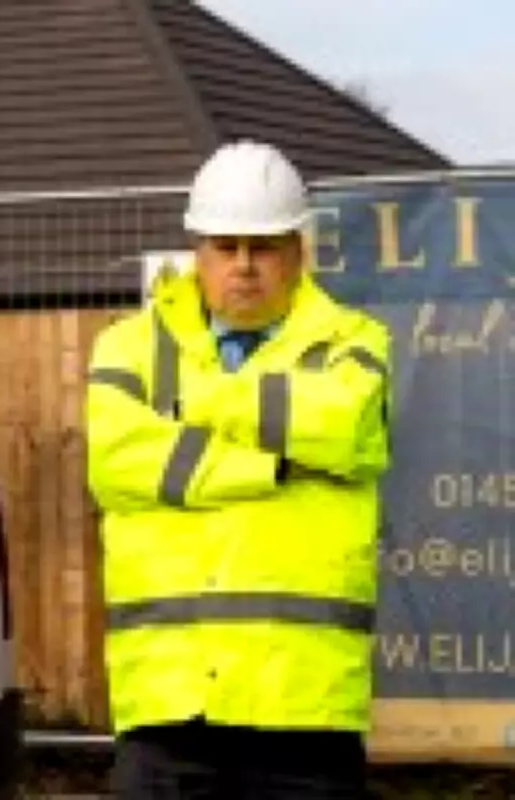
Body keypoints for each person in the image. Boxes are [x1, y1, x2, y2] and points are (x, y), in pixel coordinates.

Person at [83, 140, 393, 799]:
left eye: (264, 247)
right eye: (227, 247)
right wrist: (276, 464)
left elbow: (338, 425)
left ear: (297, 252)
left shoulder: (356, 342)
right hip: (170, 703)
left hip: (304, 707)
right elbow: (116, 464)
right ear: (197, 251)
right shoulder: (127, 345)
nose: (244, 266)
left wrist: (193, 404)